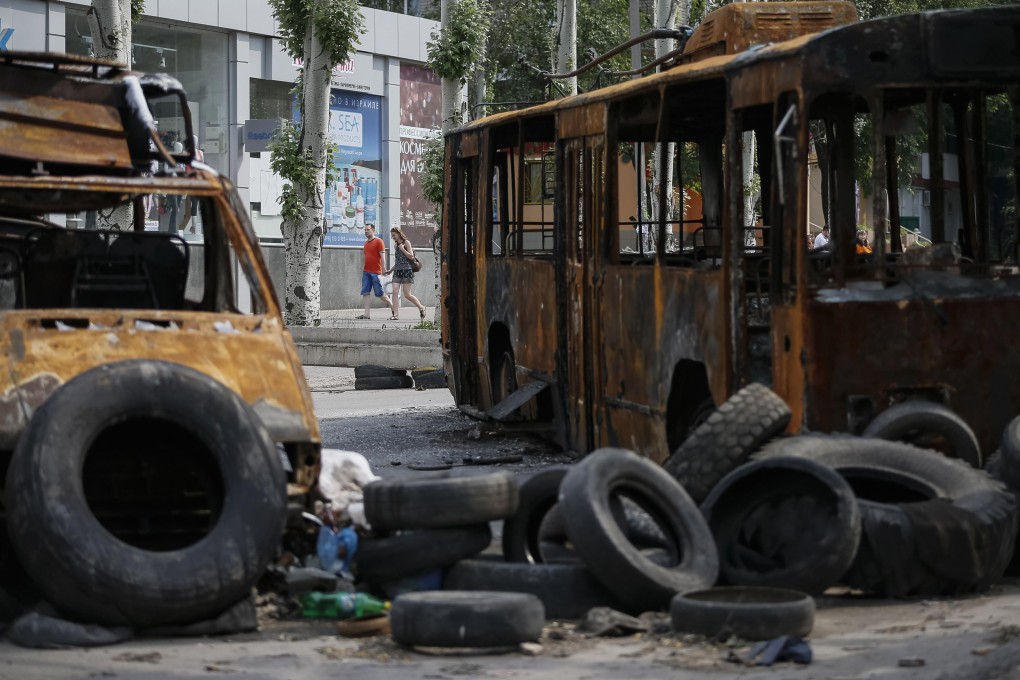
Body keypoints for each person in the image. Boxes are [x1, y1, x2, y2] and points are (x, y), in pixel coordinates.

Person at [386, 226, 427, 321]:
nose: (393, 237)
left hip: (406, 270)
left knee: (407, 294)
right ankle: (395, 315)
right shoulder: (396, 245)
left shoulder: (406, 242)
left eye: (394, 235)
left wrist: (403, 249)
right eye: (392, 236)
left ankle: (421, 307)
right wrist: (390, 270)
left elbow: (411, 257)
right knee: (395, 291)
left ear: (399, 233)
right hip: (397, 271)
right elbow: (398, 261)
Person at [357, 224, 392, 319]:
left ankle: (392, 305)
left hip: (376, 272)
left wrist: (384, 268)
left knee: (380, 294)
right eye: (365, 230)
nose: (366, 231)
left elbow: (382, 257)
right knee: (365, 292)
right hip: (366, 272)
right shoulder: (366, 243)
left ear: (373, 230)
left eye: (368, 230)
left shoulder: (379, 241)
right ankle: (366, 314)